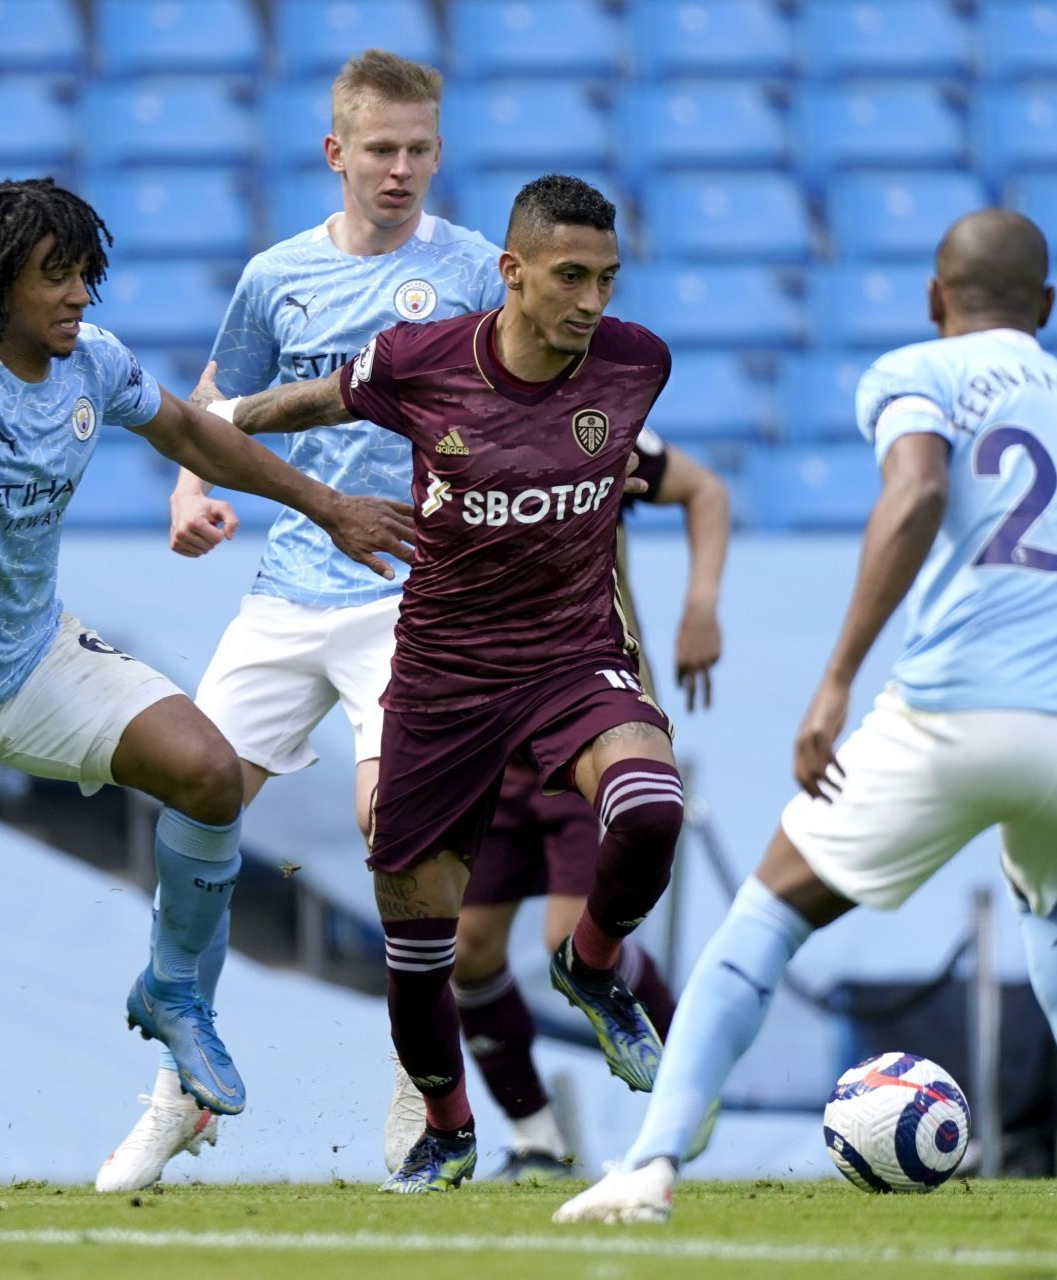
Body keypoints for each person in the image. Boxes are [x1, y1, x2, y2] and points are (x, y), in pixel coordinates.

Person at [0, 177, 413, 1198]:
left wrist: (326, 504)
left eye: (82, 273)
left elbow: (196, 435)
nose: (77, 295)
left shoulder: (92, 363)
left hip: (33, 659)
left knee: (205, 768)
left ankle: (174, 991)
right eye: (53, 276)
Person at [555, 209, 1057, 1225]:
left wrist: (836, 678)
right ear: (1048, 307)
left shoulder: (921, 371)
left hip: (958, 707)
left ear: (936, 299)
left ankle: (649, 1162)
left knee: (764, 914)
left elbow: (915, 491)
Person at [207, 174, 687, 1194]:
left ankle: (591, 966)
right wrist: (216, 420)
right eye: (570, 277)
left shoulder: (637, 363)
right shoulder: (424, 359)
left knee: (652, 807)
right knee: (421, 939)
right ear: (509, 273)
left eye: (607, 278)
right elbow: (321, 395)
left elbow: (680, 485)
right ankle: (451, 1125)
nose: (592, 302)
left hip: (570, 656)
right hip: (443, 672)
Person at [93, 49, 504, 1194]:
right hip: (286, 587)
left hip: (413, 593)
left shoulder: (474, 270)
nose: (402, 169)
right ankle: (181, 1090)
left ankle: (421, 1086)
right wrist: (190, 491)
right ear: (337, 152)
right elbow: (214, 406)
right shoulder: (278, 275)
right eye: (381, 148)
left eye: (421, 148)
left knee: (396, 824)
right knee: (196, 793)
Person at [455, 427, 729, 1183]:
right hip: (486, 736)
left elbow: (705, 488)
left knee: (569, 938)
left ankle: (687, 1081)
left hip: (587, 724)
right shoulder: (443, 420)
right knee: (468, 950)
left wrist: (699, 605)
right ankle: (539, 1138)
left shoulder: (601, 423)